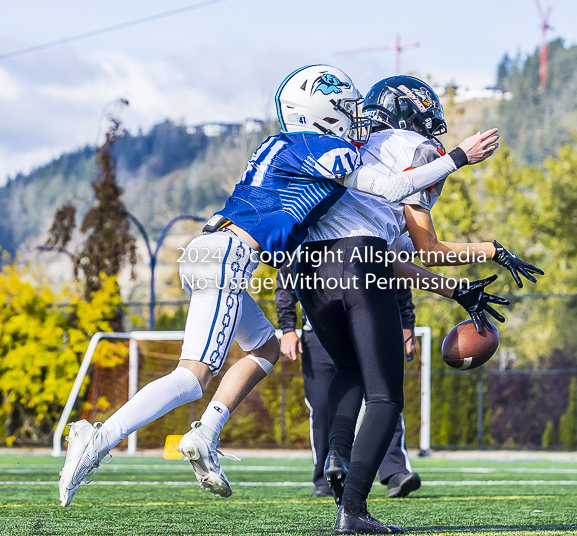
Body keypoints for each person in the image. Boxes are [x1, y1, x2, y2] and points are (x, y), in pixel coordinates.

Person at [57, 65, 492, 507]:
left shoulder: (282, 144)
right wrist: (457, 156)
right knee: (191, 378)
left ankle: (205, 434)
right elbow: (396, 185)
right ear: (323, 114)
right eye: (346, 108)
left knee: (263, 349)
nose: (356, 115)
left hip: (211, 250)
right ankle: (98, 437)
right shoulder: (322, 148)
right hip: (228, 258)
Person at [295, 75, 542, 533]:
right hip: (357, 264)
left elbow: (386, 256)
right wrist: (491, 249)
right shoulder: (416, 148)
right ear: (411, 112)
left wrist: (455, 290)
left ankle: (337, 454)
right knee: (387, 397)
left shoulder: (349, 145)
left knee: (347, 369)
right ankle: (353, 511)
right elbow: (423, 249)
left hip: (306, 269)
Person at [275, 261, 421, 499]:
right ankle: (326, 477)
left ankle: (395, 471)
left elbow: (395, 270)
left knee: (383, 396)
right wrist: (287, 328)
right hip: (319, 332)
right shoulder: (306, 228)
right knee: (322, 405)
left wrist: (406, 322)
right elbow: (286, 278)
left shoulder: (368, 227)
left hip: (369, 326)